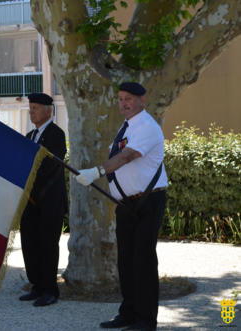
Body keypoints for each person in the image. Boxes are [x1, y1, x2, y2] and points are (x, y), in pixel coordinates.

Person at [75, 82, 167, 331]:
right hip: (126, 204)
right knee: (125, 260)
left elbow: (127, 157)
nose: (123, 103)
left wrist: (96, 172)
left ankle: (146, 320)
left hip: (148, 201)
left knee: (143, 261)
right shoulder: (126, 127)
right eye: (120, 99)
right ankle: (128, 313)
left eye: (128, 98)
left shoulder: (147, 127)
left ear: (142, 100)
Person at [19, 92, 68, 307]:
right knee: (30, 244)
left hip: (49, 202)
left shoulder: (56, 134)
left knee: (48, 245)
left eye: (36, 108)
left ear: (48, 111)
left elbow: (49, 166)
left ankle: (50, 290)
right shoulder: (29, 136)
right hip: (30, 202)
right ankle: (37, 286)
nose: (32, 111)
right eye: (30, 108)